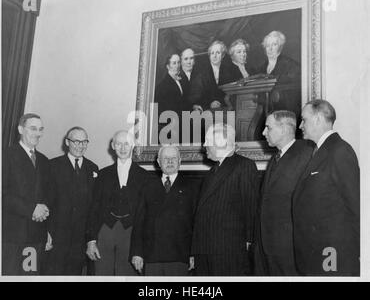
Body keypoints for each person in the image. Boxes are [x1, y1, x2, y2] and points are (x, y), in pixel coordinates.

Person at [293, 99, 360, 276]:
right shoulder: (319, 151)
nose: (300, 125)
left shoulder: (340, 151)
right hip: (316, 250)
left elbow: (355, 205)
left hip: (332, 251)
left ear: (318, 119)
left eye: (304, 120)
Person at [191, 123, 259, 275]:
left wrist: (249, 242)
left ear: (220, 142)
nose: (204, 145)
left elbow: (251, 207)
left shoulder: (244, 166)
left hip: (228, 250)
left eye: (207, 140)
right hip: (205, 250)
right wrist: (195, 251)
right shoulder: (212, 172)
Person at [254, 110, 313, 276]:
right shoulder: (275, 158)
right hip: (267, 247)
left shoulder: (306, 154)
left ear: (285, 129)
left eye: (268, 128)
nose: (264, 132)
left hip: (289, 250)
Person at [86, 130, 150, 275]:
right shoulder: (102, 175)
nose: (122, 148)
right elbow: (94, 209)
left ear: (133, 145)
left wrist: (139, 249)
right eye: (119, 144)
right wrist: (91, 241)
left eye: (126, 144)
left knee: (127, 275)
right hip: (105, 230)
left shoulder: (144, 176)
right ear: (113, 146)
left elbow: (144, 214)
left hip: (131, 233)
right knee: (102, 273)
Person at [130, 145, 197, 276]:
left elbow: (197, 224)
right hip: (152, 255)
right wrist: (137, 252)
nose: (170, 161)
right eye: (165, 158)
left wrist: (194, 253)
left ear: (180, 161)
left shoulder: (192, 187)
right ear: (159, 162)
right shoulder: (147, 187)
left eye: (173, 158)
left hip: (180, 255)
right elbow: (139, 223)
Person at [45, 127, 98, 275]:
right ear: (67, 142)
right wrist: (45, 232)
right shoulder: (53, 165)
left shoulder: (93, 168)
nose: (80, 146)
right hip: (56, 236)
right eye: (76, 141)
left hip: (79, 240)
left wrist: (90, 239)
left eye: (84, 142)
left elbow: (93, 208)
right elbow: (46, 201)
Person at [2, 113, 50, 275]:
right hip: (11, 236)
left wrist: (45, 221)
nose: (38, 133)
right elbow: (1, 194)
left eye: (40, 129)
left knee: (30, 275)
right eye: (33, 128)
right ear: (20, 129)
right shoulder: (5, 156)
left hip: (36, 236)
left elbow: (49, 195)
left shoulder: (44, 161)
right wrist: (31, 209)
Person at [258, 31, 301, 117]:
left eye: (274, 45)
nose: (270, 48)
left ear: (280, 47)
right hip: (264, 111)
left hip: (284, 111)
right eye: (267, 45)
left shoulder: (290, 64)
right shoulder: (261, 68)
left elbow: (294, 86)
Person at [189, 40, 229, 113]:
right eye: (212, 53)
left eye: (218, 53)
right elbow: (195, 97)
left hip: (223, 107)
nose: (215, 55)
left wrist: (219, 102)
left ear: (222, 55)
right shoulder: (201, 73)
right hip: (206, 109)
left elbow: (229, 93)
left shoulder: (228, 71)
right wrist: (210, 103)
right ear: (209, 55)